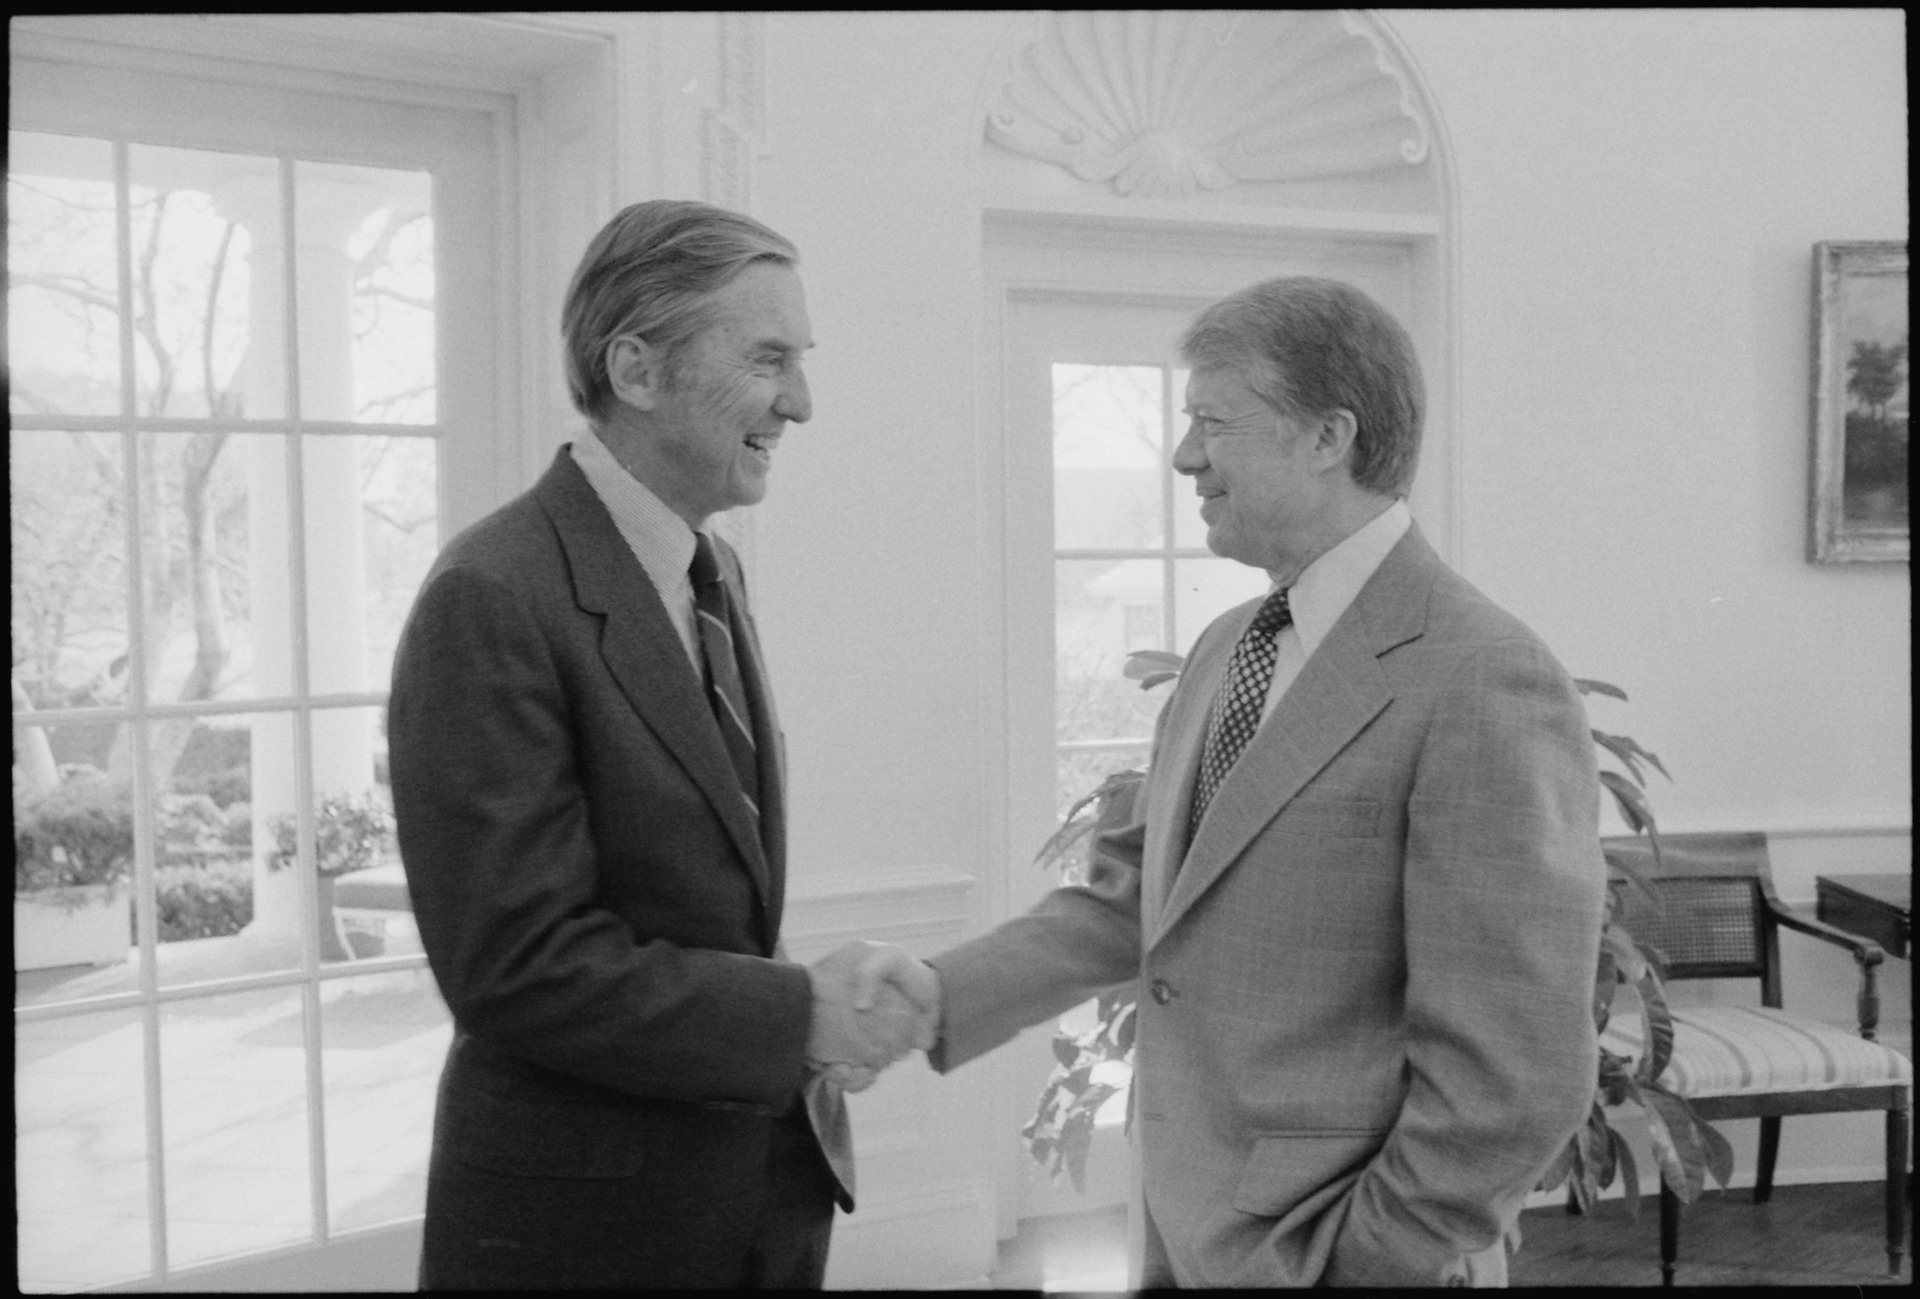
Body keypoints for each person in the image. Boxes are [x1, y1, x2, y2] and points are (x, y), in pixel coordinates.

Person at [867, 277, 1607, 1287]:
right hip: (1176, 1224)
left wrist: (1358, 1263)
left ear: (1327, 436)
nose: (1182, 458)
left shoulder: (1484, 676)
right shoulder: (1227, 648)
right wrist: (937, 993)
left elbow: (1513, 1075)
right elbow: (1135, 904)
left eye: (1212, 422)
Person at [388, 199, 932, 1290]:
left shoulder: (709, 569)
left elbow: (695, 904)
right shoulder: (491, 594)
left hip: (750, 1195)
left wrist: (806, 1035)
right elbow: (518, 967)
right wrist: (798, 1014)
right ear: (636, 369)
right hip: (587, 1236)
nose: (803, 402)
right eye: (769, 358)